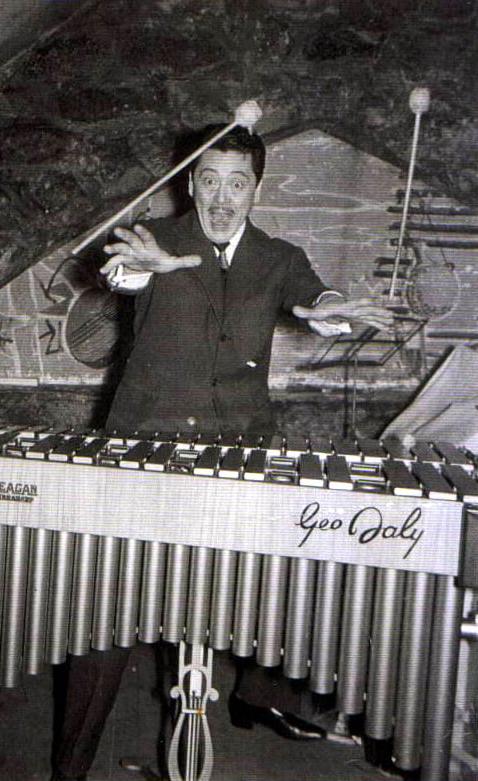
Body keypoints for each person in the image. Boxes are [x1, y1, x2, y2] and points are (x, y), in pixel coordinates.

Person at [51, 125, 393, 781]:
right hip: (144, 450)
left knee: (280, 580)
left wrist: (329, 308)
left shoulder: (278, 255)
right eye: (209, 180)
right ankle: (70, 768)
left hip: (237, 453)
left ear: (255, 189)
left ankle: (256, 696)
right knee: (107, 613)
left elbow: (314, 293)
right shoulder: (158, 239)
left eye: (237, 183)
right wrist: (142, 268)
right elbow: (121, 272)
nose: (222, 198)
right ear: (190, 183)